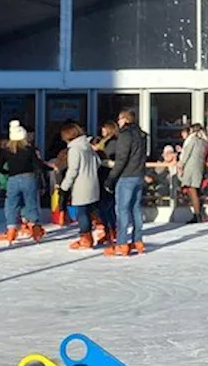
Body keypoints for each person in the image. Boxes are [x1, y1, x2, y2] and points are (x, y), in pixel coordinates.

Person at [104, 110, 149, 257]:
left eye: (119, 119)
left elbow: (122, 158)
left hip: (126, 176)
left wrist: (111, 178)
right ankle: (138, 240)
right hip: (138, 174)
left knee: (122, 210)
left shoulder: (125, 134)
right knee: (135, 208)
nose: (118, 122)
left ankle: (122, 243)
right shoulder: (142, 135)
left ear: (125, 119)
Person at [0, 120, 49, 245]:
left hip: (13, 180)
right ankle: (35, 229)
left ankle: (11, 229)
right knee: (31, 202)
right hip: (29, 178)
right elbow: (38, 164)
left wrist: (8, 173)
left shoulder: (7, 151)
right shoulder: (29, 149)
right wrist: (50, 167)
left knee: (11, 204)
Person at [58, 122, 102, 251]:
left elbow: (73, 170)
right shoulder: (87, 146)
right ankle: (102, 230)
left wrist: (64, 186)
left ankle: (86, 238)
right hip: (93, 182)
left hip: (81, 185)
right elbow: (98, 162)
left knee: (82, 213)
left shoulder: (74, 149)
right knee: (91, 210)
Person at [178, 124, 208, 223]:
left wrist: (181, 164)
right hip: (199, 167)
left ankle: (197, 214)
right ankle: (198, 212)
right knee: (195, 189)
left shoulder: (193, 140)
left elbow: (187, 153)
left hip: (190, 167)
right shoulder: (204, 142)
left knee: (192, 190)